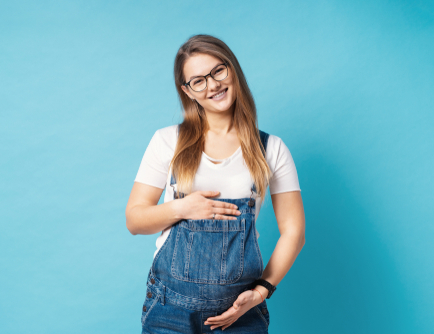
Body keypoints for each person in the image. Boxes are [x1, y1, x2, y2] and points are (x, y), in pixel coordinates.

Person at [126, 34, 305, 333]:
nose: (212, 85)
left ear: (232, 69)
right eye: (198, 80)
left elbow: (294, 232)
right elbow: (135, 220)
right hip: (169, 310)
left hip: (240, 312)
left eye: (218, 71)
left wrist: (261, 292)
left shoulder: (271, 149)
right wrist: (182, 208)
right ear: (188, 91)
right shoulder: (167, 141)